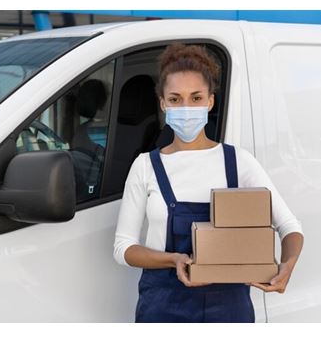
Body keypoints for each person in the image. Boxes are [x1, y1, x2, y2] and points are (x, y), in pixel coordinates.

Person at [113, 42, 304, 323]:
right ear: (163, 104)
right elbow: (123, 248)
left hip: (229, 310)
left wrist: (287, 265)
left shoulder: (238, 162)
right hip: (163, 308)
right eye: (176, 99)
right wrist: (173, 259)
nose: (186, 107)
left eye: (196, 98)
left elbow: (289, 227)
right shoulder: (145, 166)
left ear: (210, 102)